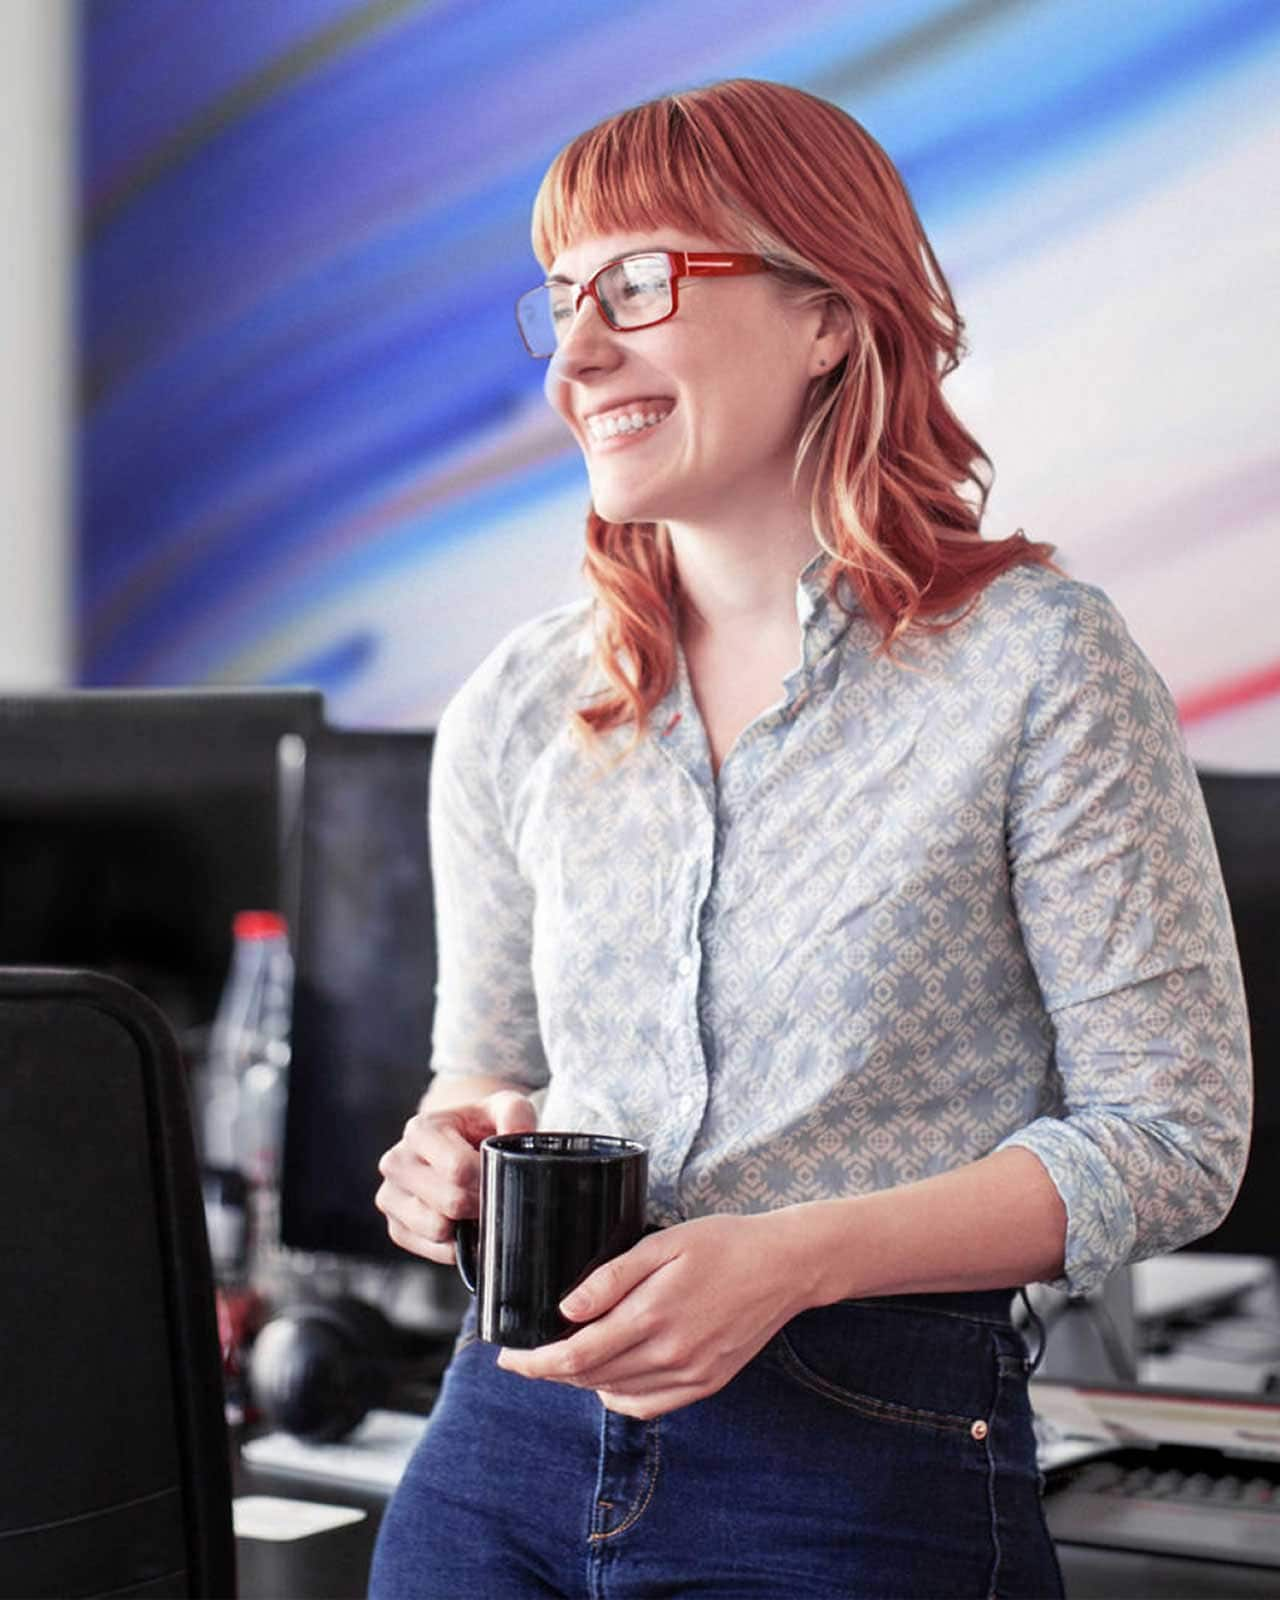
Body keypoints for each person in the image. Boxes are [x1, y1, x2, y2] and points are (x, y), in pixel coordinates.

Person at [369, 79, 1251, 1599]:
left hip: (860, 1453)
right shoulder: (518, 707)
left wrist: (789, 1257)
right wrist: (442, 1157)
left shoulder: (1038, 665)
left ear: (829, 312)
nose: (577, 354)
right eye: (563, 300)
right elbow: (483, 1073)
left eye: (638, 285)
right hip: (502, 1446)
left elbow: (1173, 1141)